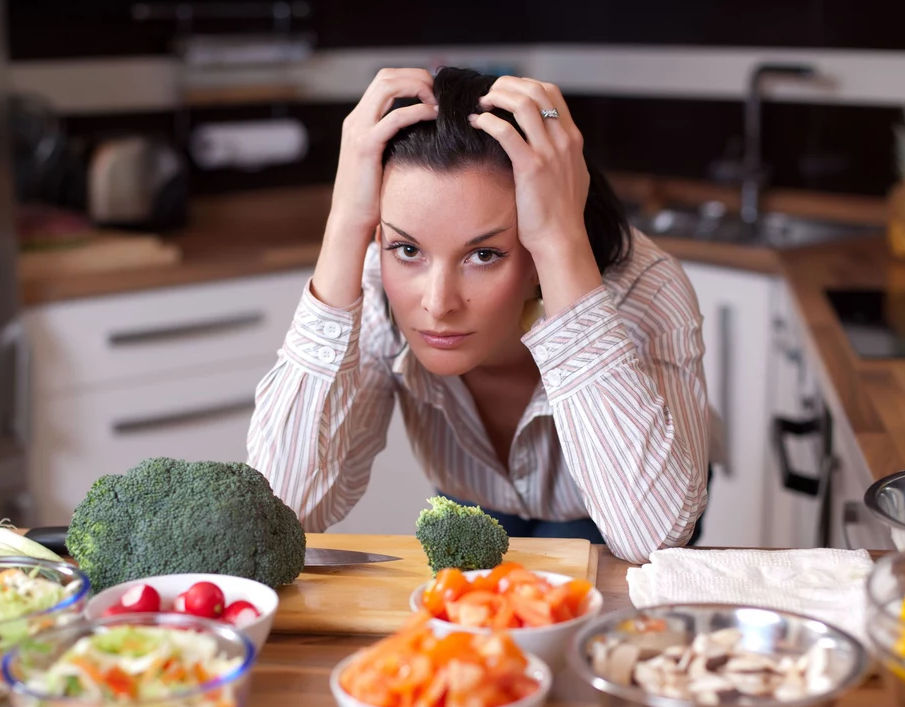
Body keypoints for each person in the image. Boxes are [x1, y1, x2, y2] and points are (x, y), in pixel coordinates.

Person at [247, 67, 710, 564]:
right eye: (406, 248)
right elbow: (281, 511)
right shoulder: (375, 282)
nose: (437, 302)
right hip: (474, 500)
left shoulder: (644, 291)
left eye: (484, 254)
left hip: (624, 508)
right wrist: (344, 224)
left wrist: (560, 243)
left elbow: (651, 539)